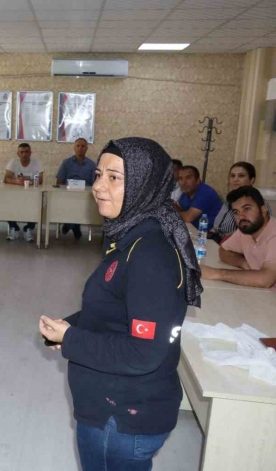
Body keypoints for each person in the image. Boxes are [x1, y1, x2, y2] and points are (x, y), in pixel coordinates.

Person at [39, 138, 202, 471]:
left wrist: (71, 340)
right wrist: (71, 326)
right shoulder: (130, 233)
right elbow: (118, 309)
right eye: (98, 174)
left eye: (114, 177)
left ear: (144, 183)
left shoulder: (149, 254)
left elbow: (143, 352)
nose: (98, 186)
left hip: (121, 417)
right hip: (119, 405)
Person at [200, 186, 276, 290]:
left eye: (247, 209)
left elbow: (266, 279)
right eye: (236, 212)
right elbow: (223, 251)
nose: (241, 216)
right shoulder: (246, 230)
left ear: (263, 209)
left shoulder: (273, 233)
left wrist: (217, 273)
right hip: (260, 294)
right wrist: (243, 263)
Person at [211, 162, 271, 240]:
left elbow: (255, 233)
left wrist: (222, 241)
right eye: (232, 176)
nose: (235, 179)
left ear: (252, 180)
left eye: (241, 176)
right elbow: (216, 227)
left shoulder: (259, 203)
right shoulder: (229, 200)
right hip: (217, 242)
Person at [56, 137, 97, 239]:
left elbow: (94, 184)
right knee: (71, 203)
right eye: (78, 146)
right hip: (68, 195)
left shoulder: (92, 165)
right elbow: (60, 181)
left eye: (83, 146)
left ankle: (70, 224)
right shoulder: (66, 163)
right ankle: (74, 226)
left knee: (81, 204)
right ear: (74, 148)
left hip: (84, 196)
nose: (80, 148)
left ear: (86, 149)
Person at [4, 142, 43, 242]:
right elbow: (6, 178)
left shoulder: (36, 162)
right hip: (15, 194)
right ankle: (14, 228)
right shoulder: (14, 161)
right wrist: (16, 181)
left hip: (32, 194)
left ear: (30, 152)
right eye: (21, 152)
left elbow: (41, 180)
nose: (24, 154)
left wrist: (26, 182)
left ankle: (28, 229)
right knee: (8, 203)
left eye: (26, 152)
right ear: (18, 153)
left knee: (37, 205)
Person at [174, 165, 222, 232]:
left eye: (188, 178)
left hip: (209, 236)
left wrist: (174, 212)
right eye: (180, 178)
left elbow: (188, 218)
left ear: (198, 180)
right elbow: (176, 207)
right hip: (193, 232)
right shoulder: (186, 192)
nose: (183, 183)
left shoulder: (205, 192)